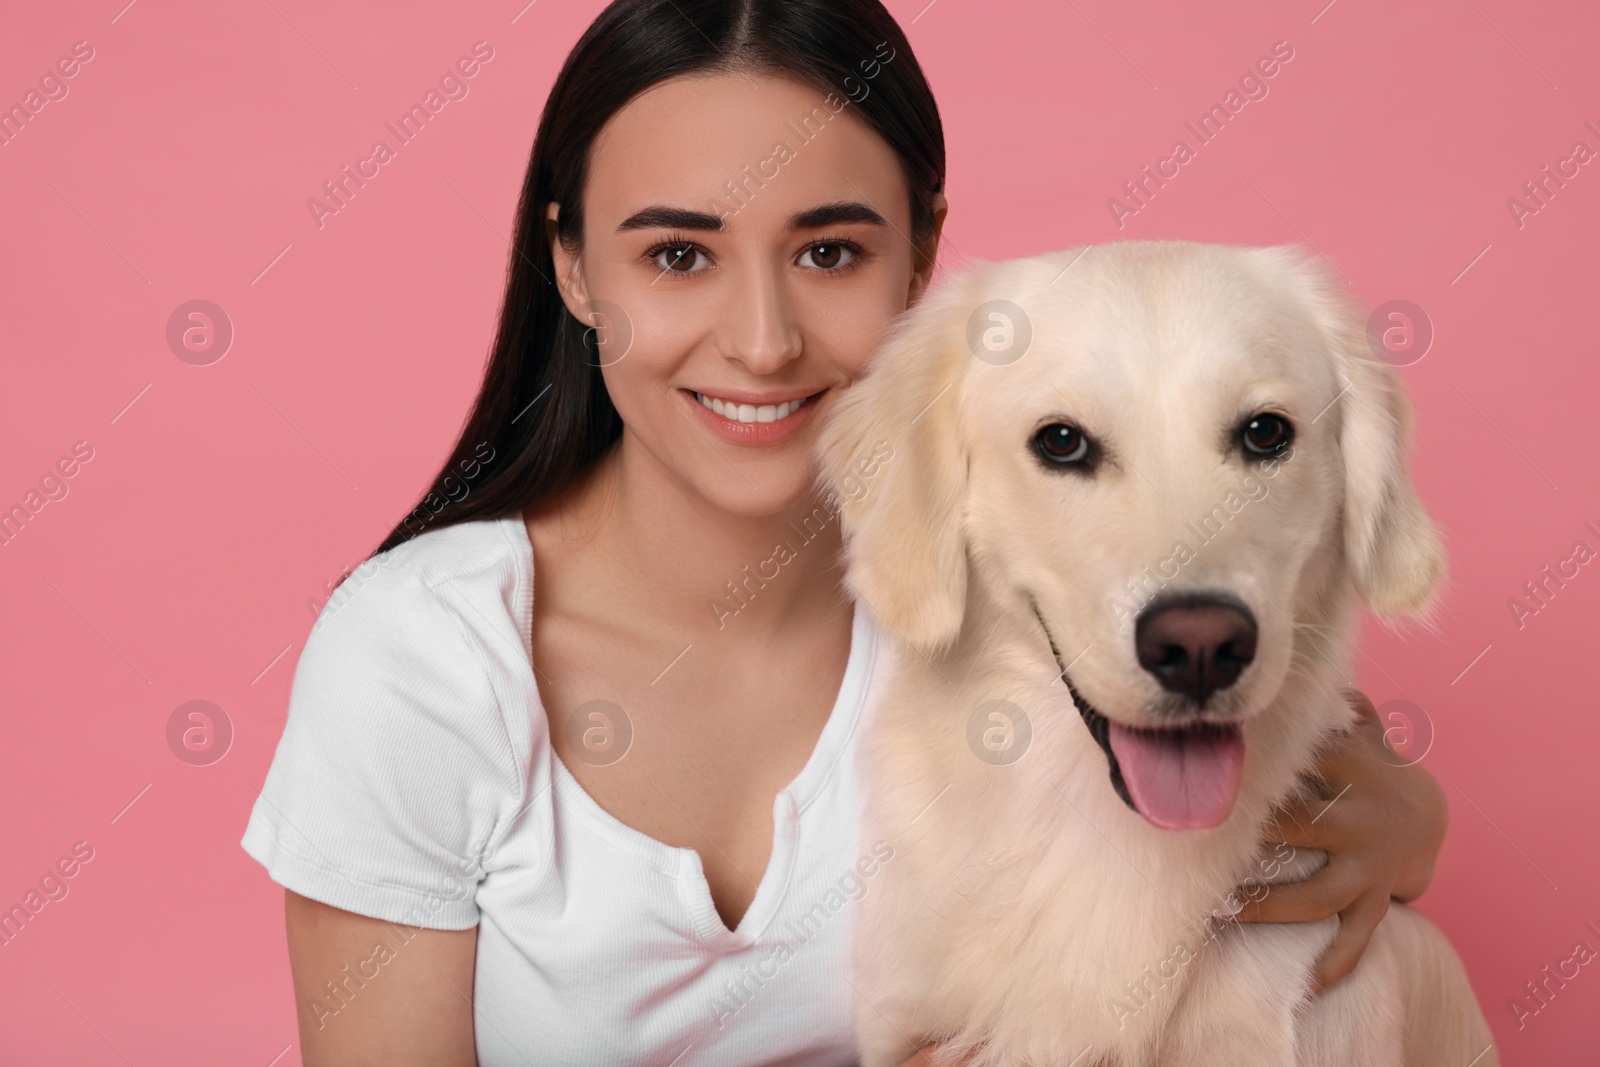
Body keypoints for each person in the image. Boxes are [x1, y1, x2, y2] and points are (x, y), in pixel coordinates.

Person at [240, 1, 1450, 1063]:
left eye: (828, 250)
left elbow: (1285, 746)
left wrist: (1409, 825)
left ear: (920, 251)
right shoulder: (420, 658)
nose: (761, 339)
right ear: (569, 264)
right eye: (676, 254)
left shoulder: (1017, 595)